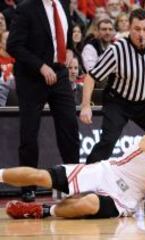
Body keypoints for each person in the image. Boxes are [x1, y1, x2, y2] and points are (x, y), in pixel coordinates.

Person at [1, 108, 145, 219]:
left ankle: (43, 211)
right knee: (43, 177)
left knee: (88, 204)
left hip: (128, 196)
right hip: (109, 172)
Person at [80, 8, 145, 164]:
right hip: (118, 101)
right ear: (129, 28)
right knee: (108, 141)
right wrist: (85, 106)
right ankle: (86, 176)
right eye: (137, 29)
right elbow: (91, 77)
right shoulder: (116, 50)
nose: (141, 34)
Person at [6, 0, 80, 202]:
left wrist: (71, 51)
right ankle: (27, 187)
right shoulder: (26, 8)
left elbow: (65, 39)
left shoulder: (63, 5)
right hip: (31, 78)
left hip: (60, 74)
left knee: (70, 128)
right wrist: (41, 66)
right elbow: (13, 46)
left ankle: (72, 182)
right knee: (29, 133)